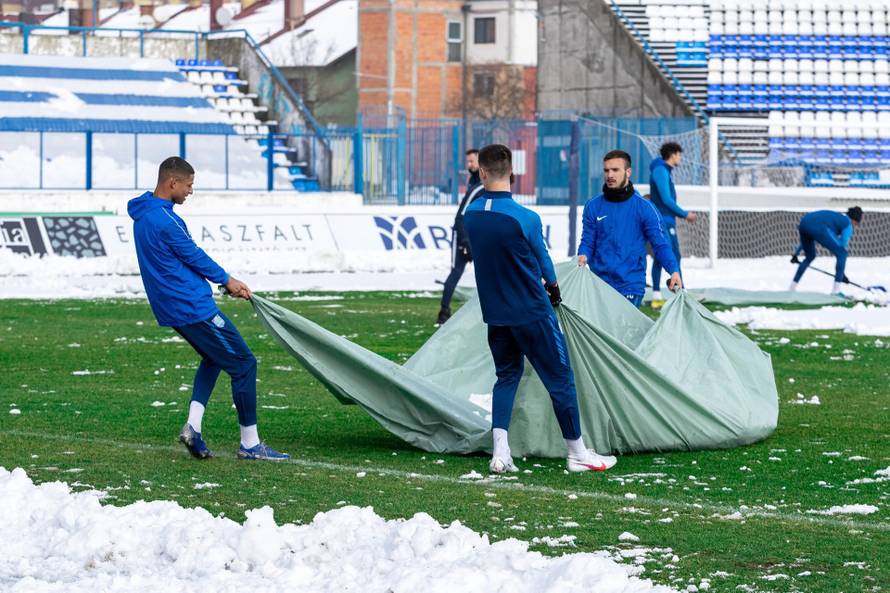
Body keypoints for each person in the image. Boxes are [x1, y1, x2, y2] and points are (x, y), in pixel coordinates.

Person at [463, 144, 617, 474]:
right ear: (513, 175)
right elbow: (544, 263)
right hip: (532, 312)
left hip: (496, 315)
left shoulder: (471, 215)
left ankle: (501, 452)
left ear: (482, 172)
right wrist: (554, 289)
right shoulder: (526, 218)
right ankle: (577, 453)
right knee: (561, 380)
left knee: (506, 377)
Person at [128, 156, 288, 461]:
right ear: (172, 182)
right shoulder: (166, 220)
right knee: (244, 363)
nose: (190, 191)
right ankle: (250, 445)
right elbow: (194, 256)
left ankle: (193, 427)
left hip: (173, 307)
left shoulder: (143, 212)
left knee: (213, 358)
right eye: (188, 185)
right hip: (192, 307)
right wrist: (228, 280)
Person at [577, 150, 683, 307]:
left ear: (628, 172)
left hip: (630, 286)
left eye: (615, 170)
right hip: (599, 285)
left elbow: (660, 244)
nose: (609, 175)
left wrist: (673, 270)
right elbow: (588, 240)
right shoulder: (593, 206)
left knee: (621, 331)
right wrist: (582, 255)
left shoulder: (645, 208)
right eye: (606, 170)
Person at [437, 149, 484, 324]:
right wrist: (465, 242)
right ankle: (443, 312)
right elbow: (460, 216)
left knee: (486, 273)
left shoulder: (480, 185)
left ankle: (487, 311)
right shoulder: (477, 186)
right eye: (468, 161)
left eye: (472, 161)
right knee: (456, 272)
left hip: (475, 237)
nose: (469, 165)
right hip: (464, 236)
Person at [648, 142, 697, 307]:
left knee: (667, 256)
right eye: (679, 154)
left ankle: (672, 293)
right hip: (663, 220)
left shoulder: (663, 170)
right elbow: (666, 199)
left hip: (667, 220)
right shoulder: (660, 170)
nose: (680, 158)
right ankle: (678, 293)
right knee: (670, 255)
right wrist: (685, 214)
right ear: (673, 154)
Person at [790, 207, 862, 294]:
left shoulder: (837, 217)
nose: (856, 226)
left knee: (810, 256)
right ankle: (836, 290)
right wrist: (841, 275)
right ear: (854, 220)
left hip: (804, 222)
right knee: (842, 254)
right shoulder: (848, 224)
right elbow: (842, 245)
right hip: (819, 227)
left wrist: (796, 254)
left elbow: (811, 232)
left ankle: (792, 288)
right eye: (857, 224)